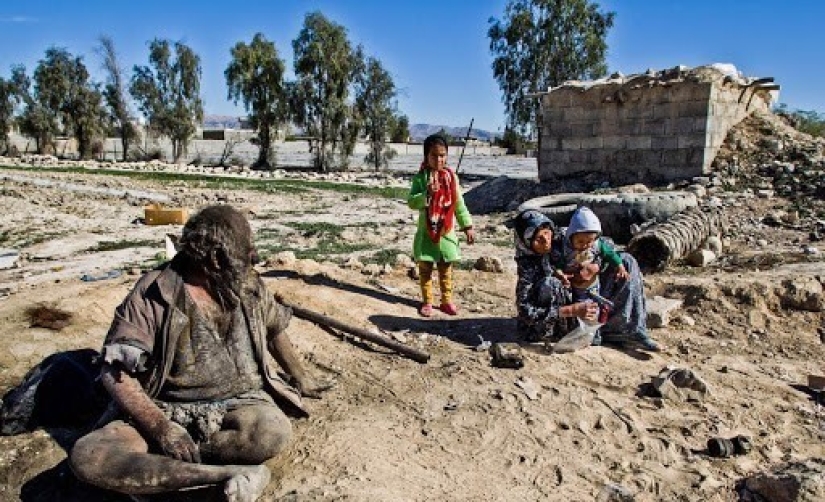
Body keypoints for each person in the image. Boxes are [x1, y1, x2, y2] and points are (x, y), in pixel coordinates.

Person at [69, 205, 328, 502]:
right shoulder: (153, 292)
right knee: (90, 456)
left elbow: (274, 327)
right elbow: (116, 372)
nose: (254, 257)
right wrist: (161, 429)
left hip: (239, 405)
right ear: (215, 258)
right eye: (246, 251)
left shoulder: (247, 282)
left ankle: (163, 473)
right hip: (164, 406)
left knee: (271, 433)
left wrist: (300, 376)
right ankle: (227, 475)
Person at [514, 209, 662, 351]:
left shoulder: (564, 236)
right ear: (526, 242)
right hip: (562, 315)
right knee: (551, 283)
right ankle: (572, 332)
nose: (546, 241)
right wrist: (571, 310)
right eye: (538, 239)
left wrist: (594, 267)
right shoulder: (527, 265)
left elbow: (604, 245)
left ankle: (627, 329)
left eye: (547, 233)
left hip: (587, 295)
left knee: (626, 261)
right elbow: (525, 312)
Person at [407, 134, 475, 317]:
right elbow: (411, 202)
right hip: (427, 233)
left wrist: (467, 226)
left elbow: (459, 204)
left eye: (442, 155)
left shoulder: (452, 178)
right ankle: (427, 301)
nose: (439, 160)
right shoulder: (420, 178)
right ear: (426, 156)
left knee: (446, 270)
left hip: (445, 231)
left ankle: (446, 301)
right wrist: (426, 194)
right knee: (425, 270)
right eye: (434, 155)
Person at [554, 206, 628, 306]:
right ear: (571, 237)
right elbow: (558, 265)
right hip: (573, 284)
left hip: (593, 282)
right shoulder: (566, 250)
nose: (585, 245)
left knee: (595, 301)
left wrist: (620, 266)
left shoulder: (597, 245)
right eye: (580, 241)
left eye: (589, 241)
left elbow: (610, 254)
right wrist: (561, 274)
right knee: (580, 304)